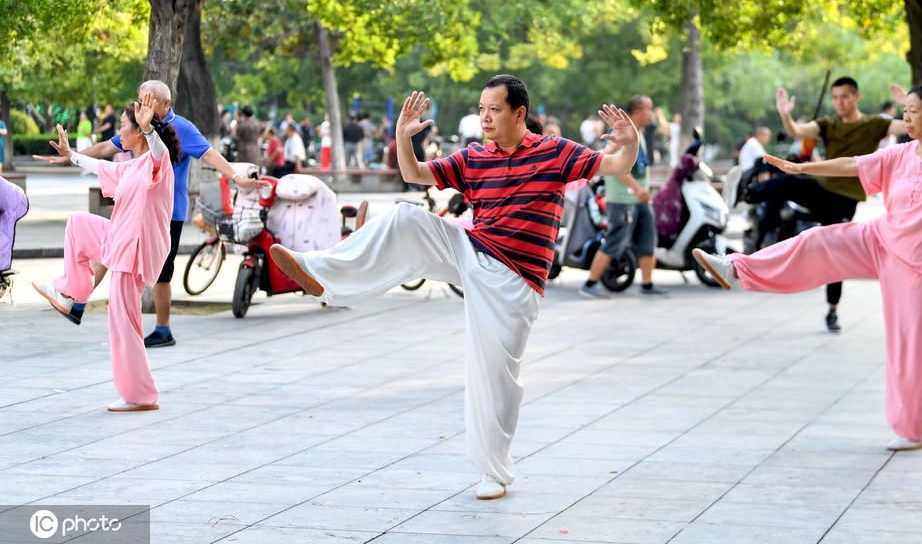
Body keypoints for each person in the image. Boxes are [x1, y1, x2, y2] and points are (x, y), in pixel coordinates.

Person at [267, 74, 640, 500]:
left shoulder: (555, 152)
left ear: (519, 113)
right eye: (481, 109)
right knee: (405, 218)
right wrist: (402, 137)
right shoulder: (475, 156)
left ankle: (493, 472)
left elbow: (615, 165)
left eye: (494, 110)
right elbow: (415, 173)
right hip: (472, 249)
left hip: (516, 282)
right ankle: (320, 272)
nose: (484, 117)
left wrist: (629, 142)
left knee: (495, 379)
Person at [694, 85, 922, 452]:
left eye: (914, 111)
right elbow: (852, 164)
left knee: (908, 348)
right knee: (817, 241)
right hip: (881, 239)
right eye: (905, 111)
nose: (906, 118)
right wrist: (803, 168)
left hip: (921, 267)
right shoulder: (901, 154)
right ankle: (737, 269)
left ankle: (912, 430)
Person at [33, 80, 254, 347]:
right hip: (135, 209)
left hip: (166, 216)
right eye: (139, 99)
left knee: (159, 275)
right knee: (108, 250)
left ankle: (162, 329)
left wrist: (235, 177)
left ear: (165, 104)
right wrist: (71, 155)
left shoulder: (177, 130)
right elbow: (105, 151)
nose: (141, 105)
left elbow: (209, 156)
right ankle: (75, 300)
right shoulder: (136, 130)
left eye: (147, 100)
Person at [32, 92, 181, 410]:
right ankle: (73, 295)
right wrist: (72, 155)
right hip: (118, 239)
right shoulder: (131, 167)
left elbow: (160, 153)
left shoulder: (157, 163)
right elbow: (100, 166)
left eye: (125, 126)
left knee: (124, 324)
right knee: (78, 224)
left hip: (134, 253)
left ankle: (141, 396)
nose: (120, 132)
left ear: (139, 130)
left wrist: (150, 130)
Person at [759, 77, 906, 332]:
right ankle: (751, 201)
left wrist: (908, 104)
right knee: (785, 182)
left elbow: (911, 127)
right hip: (822, 188)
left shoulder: (875, 124)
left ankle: (832, 309)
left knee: (834, 254)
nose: (839, 102)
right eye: (835, 98)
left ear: (856, 97)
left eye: (844, 97)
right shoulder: (828, 124)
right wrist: (786, 116)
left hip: (845, 200)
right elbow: (797, 131)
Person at [580, 95, 669, 299]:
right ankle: (590, 283)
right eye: (649, 109)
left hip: (640, 200)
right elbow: (618, 167)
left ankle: (647, 284)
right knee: (615, 242)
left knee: (648, 240)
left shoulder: (639, 133)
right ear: (637, 112)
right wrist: (638, 189)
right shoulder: (621, 132)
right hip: (623, 201)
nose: (652, 113)